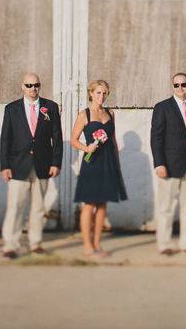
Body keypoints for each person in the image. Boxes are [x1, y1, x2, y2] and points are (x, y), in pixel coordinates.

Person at [0, 72, 62, 258]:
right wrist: (5, 165)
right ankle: (10, 244)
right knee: (15, 206)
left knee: (38, 207)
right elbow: (5, 139)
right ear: (22, 87)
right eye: (29, 85)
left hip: (43, 165)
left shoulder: (50, 107)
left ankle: (35, 243)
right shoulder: (12, 109)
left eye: (36, 85)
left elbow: (57, 138)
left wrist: (56, 162)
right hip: (18, 165)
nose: (33, 89)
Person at [71, 80, 127, 257]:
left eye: (104, 93)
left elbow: (114, 140)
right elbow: (73, 140)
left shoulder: (110, 113)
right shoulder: (84, 115)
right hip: (92, 162)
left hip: (108, 162)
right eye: (98, 93)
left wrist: (116, 164)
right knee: (89, 204)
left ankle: (97, 244)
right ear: (91, 93)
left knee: (103, 204)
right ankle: (87, 245)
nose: (101, 96)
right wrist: (86, 148)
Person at [150, 72, 186, 255]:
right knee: (166, 207)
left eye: (184, 85)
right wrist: (159, 163)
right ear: (172, 87)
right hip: (169, 165)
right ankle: (164, 244)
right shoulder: (162, 107)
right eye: (177, 85)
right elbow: (156, 138)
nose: (181, 88)